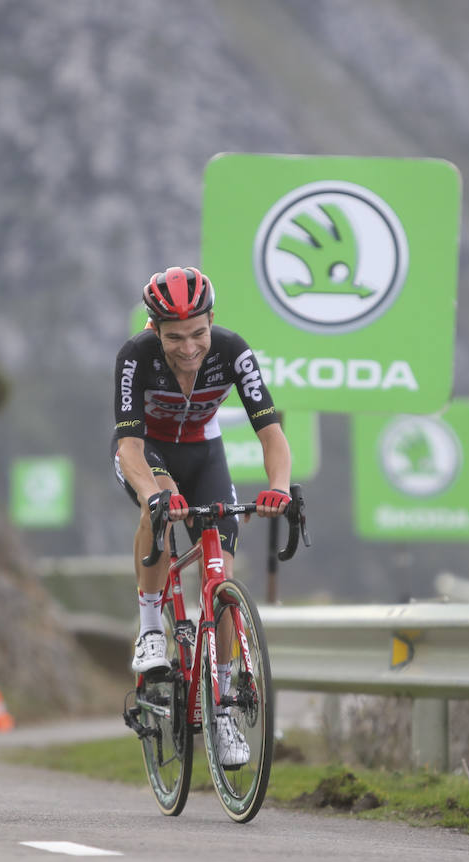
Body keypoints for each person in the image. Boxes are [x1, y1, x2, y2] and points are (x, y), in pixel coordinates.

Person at [111, 266, 292, 768]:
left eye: (198, 334)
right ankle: (151, 625)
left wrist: (277, 486)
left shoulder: (233, 351)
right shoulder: (135, 357)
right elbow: (128, 445)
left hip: (205, 454)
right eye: (174, 337)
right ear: (154, 330)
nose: (188, 347)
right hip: (148, 453)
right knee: (163, 508)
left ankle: (225, 706)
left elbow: (271, 433)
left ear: (212, 320)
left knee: (221, 579)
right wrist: (152, 492)